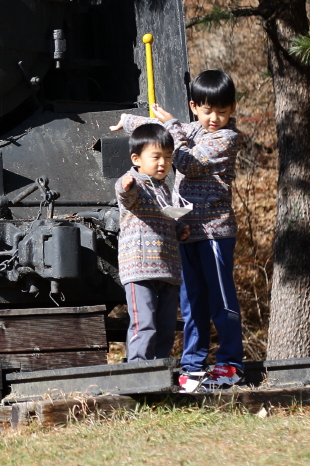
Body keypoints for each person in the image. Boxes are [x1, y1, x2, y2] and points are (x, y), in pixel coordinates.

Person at [111, 70, 244, 392]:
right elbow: (159, 131)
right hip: (184, 233)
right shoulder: (190, 129)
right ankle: (193, 367)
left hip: (214, 232)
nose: (215, 118)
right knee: (191, 303)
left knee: (221, 299)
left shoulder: (227, 138)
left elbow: (188, 162)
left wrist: (172, 125)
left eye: (222, 111)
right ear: (194, 107)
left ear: (232, 109)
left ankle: (230, 364)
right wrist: (127, 121)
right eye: (207, 111)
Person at [114, 123, 188, 364]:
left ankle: (160, 369)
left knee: (166, 327)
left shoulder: (164, 188)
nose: (163, 163)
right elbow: (125, 196)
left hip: (167, 269)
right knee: (144, 324)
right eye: (156, 157)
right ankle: (138, 370)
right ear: (136, 159)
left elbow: (166, 218)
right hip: (140, 269)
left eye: (168, 157)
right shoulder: (133, 181)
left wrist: (179, 229)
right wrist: (126, 187)